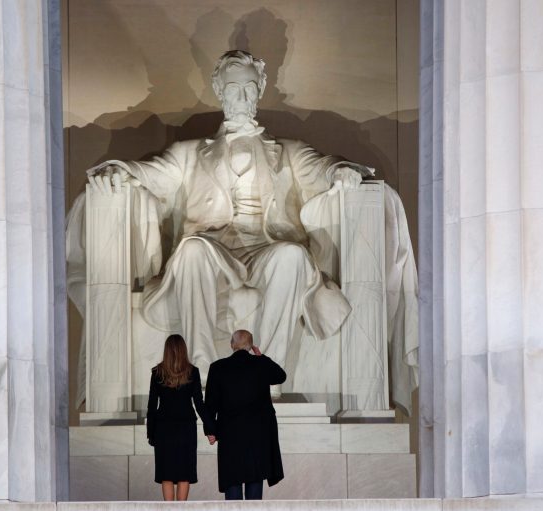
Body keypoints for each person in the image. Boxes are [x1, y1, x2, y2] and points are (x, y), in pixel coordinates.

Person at [85, 49, 371, 379]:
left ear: (260, 89)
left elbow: (322, 166)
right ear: (220, 90)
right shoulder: (188, 153)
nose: (242, 96)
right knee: (191, 250)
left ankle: (268, 373)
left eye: (249, 87)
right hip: (213, 249)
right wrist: (121, 172)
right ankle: (206, 371)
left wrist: (343, 171)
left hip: (267, 249)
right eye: (234, 88)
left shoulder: (289, 150)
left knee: (293, 255)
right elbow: (152, 173)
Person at [204, 329, 286, 500]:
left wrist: (211, 430)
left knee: (232, 485)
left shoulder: (218, 368)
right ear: (250, 346)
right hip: (258, 436)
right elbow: (280, 376)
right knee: (254, 487)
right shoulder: (261, 365)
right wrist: (261, 356)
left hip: (230, 436)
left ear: (232, 345)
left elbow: (210, 404)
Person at [146, 334, 216, 501]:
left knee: (167, 475)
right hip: (186, 429)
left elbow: (151, 406)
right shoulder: (193, 372)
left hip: (164, 429)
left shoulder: (157, 373)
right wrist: (212, 429)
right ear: (184, 350)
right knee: (184, 474)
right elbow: (199, 404)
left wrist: (151, 433)